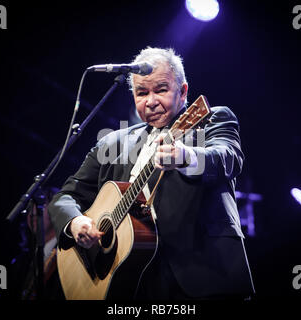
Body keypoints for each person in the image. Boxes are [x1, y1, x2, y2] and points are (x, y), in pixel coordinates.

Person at [48, 47, 255, 300]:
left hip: (203, 274)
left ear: (183, 91)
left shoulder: (212, 119)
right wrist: (75, 222)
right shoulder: (113, 142)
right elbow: (66, 196)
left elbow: (228, 158)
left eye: (161, 89)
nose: (151, 101)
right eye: (141, 93)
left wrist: (185, 157)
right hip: (130, 283)